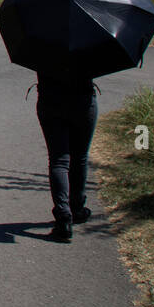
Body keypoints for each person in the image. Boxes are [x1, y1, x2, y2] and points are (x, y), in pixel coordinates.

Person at [34, 69, 99, 242]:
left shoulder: (43, 42)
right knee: (80, 157)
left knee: (58, 160)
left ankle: (63, 217)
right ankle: (77, 208)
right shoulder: (90, 42)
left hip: (50, 99)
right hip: (83, 100)